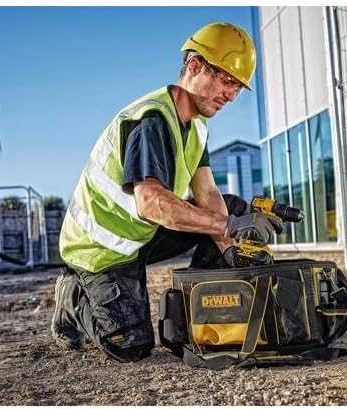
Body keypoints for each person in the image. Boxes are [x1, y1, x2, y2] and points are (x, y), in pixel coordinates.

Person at [51, 22, 283, 362]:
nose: (231, 94)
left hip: (140, 234)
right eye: (226, 80)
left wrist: (232, 248)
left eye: (237, 87)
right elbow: (151, 203)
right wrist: (227, 227)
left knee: (230, 208)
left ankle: (208, 313)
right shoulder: (152, 121)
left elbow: (208, 194)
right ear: (194, 67)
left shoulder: (197, 125)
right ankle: (73, 298)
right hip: (100, 248)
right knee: (130, 345)